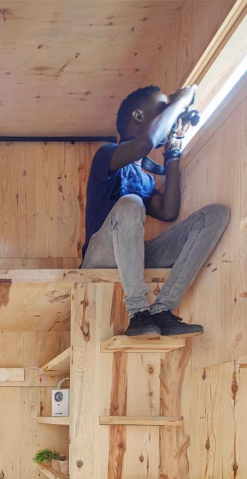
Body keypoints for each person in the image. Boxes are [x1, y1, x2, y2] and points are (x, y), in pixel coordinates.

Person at [81, 84, 230, 336]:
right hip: (100, 255)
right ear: (139, 116)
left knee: (215, 215)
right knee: (132, 203)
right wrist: (180, 101)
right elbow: (145, 144)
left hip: (133, 255)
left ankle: (162, 310)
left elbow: (169, 211)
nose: (169, 115)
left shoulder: (145, 180)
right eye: (163, 110)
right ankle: (139, 313)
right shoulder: (106, 155)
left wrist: (173, 148)